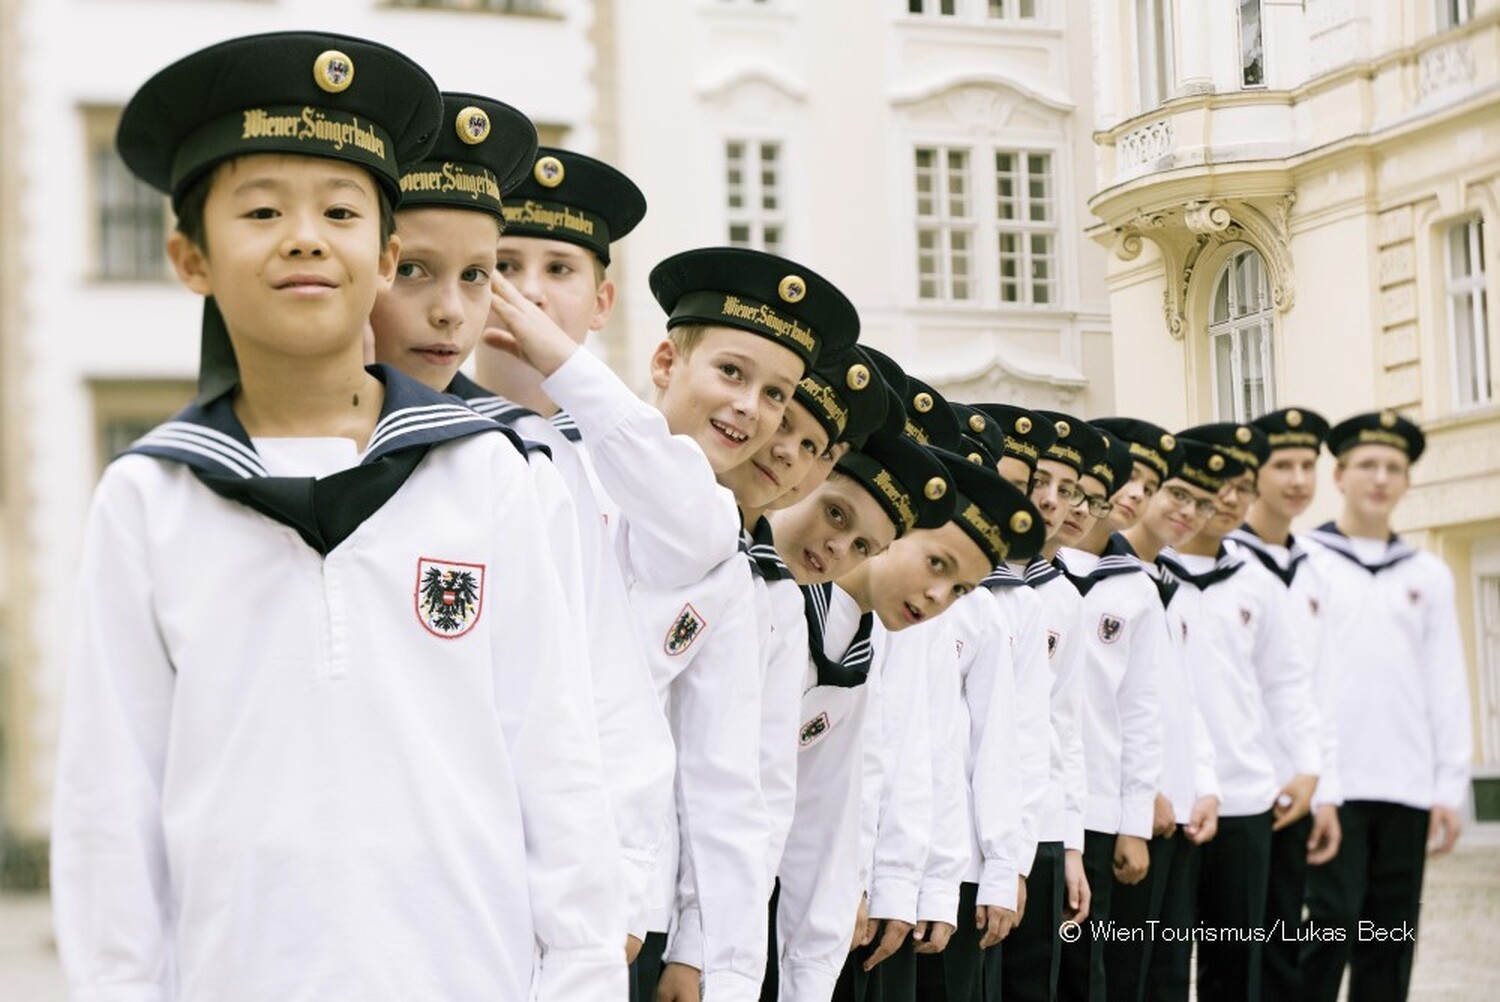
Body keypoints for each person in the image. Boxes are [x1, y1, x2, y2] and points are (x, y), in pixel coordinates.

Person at [51, 33, 625, 1000]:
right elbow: (112, 806)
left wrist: (578, 978)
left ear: (385, 251)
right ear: (191, 256)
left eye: (342, 211)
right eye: (263, 210)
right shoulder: (151, 500)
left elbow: (557, 762)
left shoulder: (489, 476)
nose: (306, 236)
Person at [371, 126, 686, 970]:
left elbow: (596, 712)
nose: (465, 304)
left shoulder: (524, 466)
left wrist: (610, 908)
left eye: (476, 274)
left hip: (503, 909)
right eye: (498, 270)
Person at [638, 246, 857, 1002]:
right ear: (667, 361)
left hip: (648, 907)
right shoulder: (552, 479)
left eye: (775, 397)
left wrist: (703, 948)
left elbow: (741, 779)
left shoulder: (748, 579)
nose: (753, 416)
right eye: (732, 374)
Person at [1299, 410, 1472, 1002]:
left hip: (1404, 786)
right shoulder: (1305, 560)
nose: (1380, 478)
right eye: (1367, 465)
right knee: (1324, 937)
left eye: (1394, 468)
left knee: (1389, 945)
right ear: (1340, 474)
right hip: (1331, 789)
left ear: (1406, 482)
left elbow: (1444, 681)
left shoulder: (1427, 573)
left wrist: (1449, 786)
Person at [1167, 421, 1323, 1000]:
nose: (1230, 499)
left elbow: (1285, 683)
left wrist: (1306, 766)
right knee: (1157, 961)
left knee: (1239, 967)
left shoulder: (1256, 582)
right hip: (1171, 802)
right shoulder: (1149, 575)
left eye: (1241, 484)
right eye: (1216, 484)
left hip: (1247, 800)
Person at [1105, 437, 1232, 1002]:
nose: (1188, 512)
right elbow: (1108, 708)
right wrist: (1144, 791)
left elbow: (1187, 700)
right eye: (1176, 494)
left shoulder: (1174, 588)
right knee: (1124, 974)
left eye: (1202, 504)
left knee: (1167, 978)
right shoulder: (1106, 581)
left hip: (1180, 811)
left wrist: (1202, 786)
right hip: (1133, 812)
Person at [1054, 417, 1175, 1002]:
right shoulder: (1028, 578)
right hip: (1034, 806)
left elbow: (1141, 711)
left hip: (1099, 808)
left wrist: (1133, 822)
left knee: (1089, 972)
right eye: (1072, 491)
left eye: (1098, 497)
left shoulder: (1134, 588)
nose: (1080, 508)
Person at [1226, 407, 1343, 999]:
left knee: (1291, 951)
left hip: (1300, 785)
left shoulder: (1319, 567)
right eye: (1283, 466)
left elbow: (1317, 687)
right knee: (1237, 954)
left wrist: (1321, 786)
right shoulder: (1227, 565)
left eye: (1307, 465)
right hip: (1243, 785)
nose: (1298, 479)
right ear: (1254, 475)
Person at [998, 411, 1111, 1002]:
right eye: (1038, 482)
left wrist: (1070, 845)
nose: (1049, 500)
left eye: (1066, 490)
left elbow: (1063, 728)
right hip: (977, 838)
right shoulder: (971, 584)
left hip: (1040, 829)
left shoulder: (1064, 597)